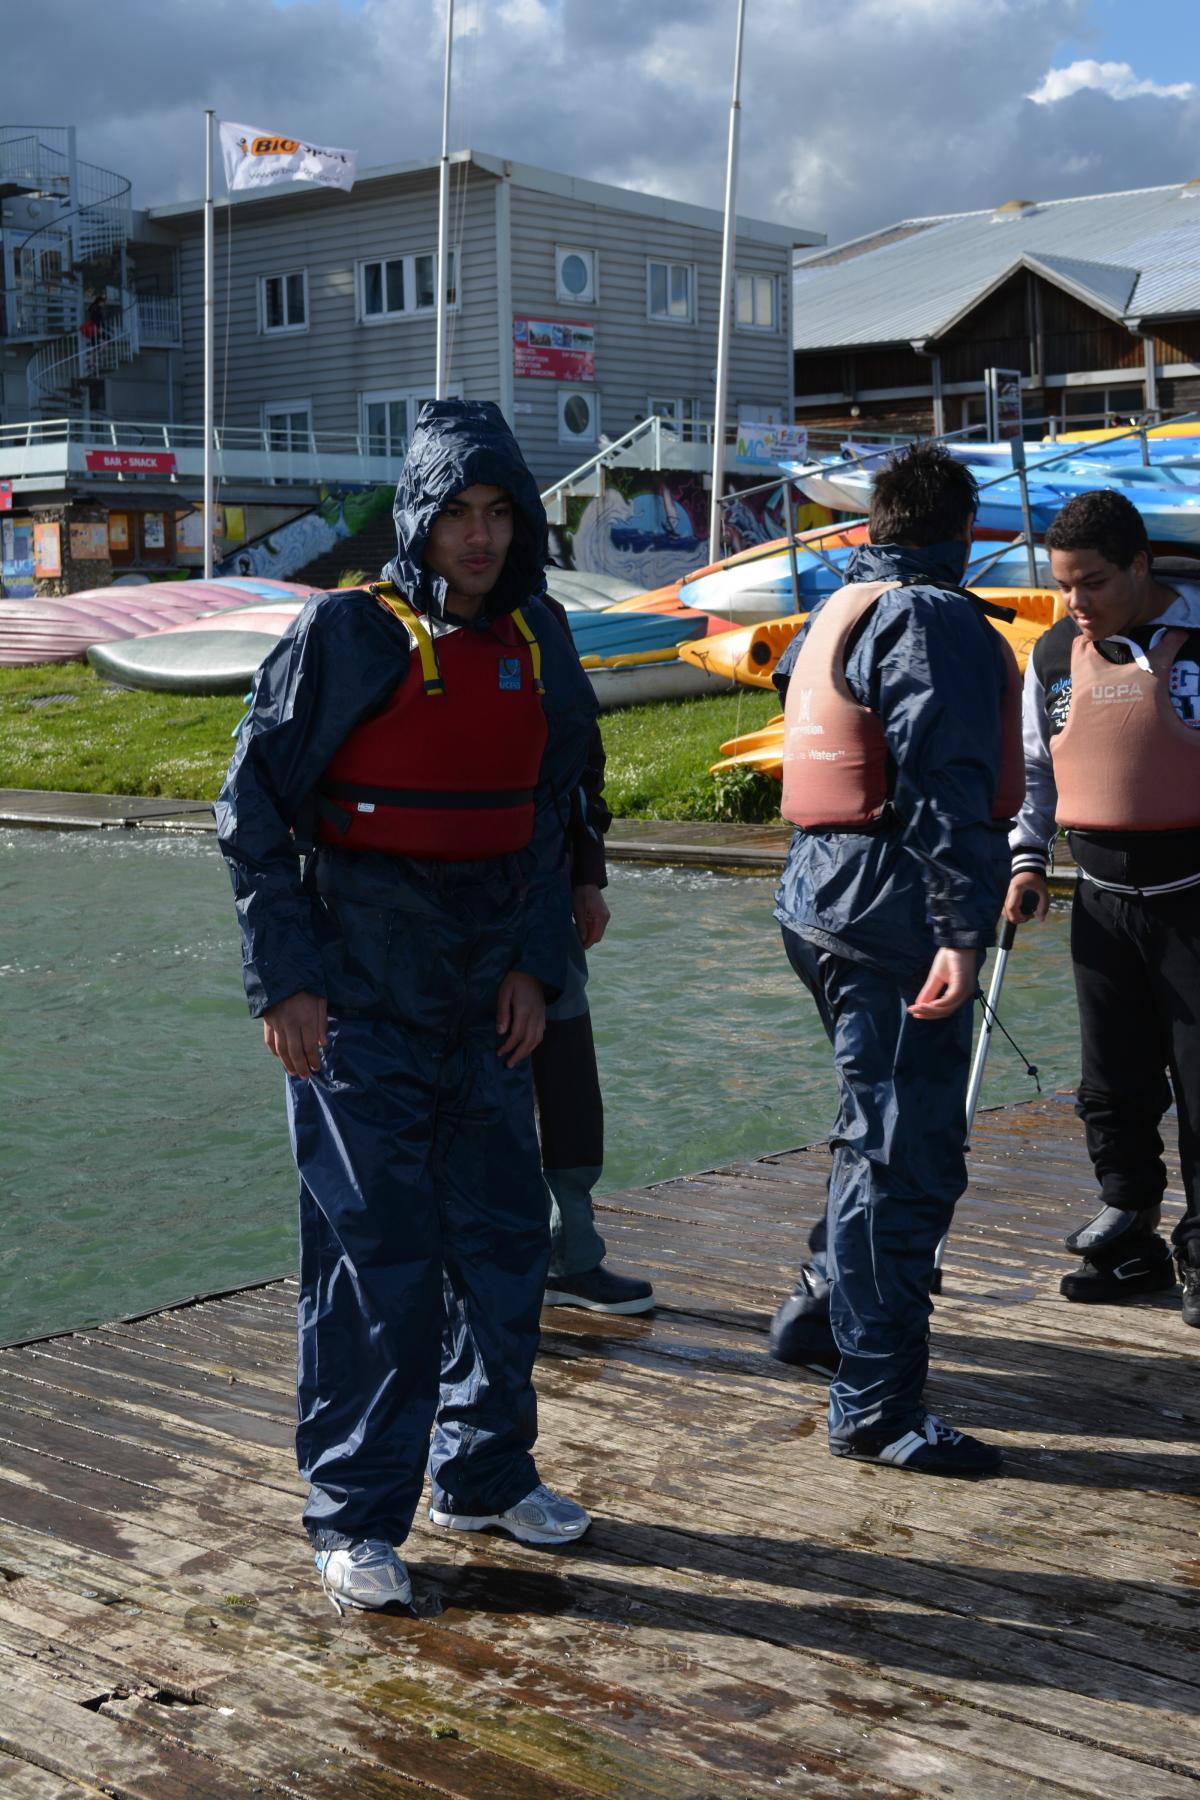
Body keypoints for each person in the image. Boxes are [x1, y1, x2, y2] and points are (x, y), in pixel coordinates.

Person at [216, 400, 600, 1614]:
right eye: (457, 516)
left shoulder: (539, 633)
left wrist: (537, 965)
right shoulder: (346, 633)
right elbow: (251, 811)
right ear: (419, 522)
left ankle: (483, 1473)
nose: (479, 538)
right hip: (361, 993)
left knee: (503, 1241)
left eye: (500, 514)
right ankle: (354, 1515)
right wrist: (286, 983)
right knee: (373, 1259)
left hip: (490, 993)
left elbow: (556, 806)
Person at [767, 442, 1023, 1477]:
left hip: (821, 900)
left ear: (876, 528)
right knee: (904, 1155)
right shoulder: (931, 618)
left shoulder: (843, 606)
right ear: (963, 533)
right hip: (890, 916)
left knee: (871, 1134)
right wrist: (961, 929)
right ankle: (877, 1409)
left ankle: (823, 1311)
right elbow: (941, 775)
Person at [1004, 488, 1200, 1323]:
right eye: (1062, 585)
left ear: (1140, 566)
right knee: (1110, 1084)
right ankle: (1131, 1227)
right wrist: (1025, 862)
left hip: (1193, 903)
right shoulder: (1053, 654)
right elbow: (1035, 772)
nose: (1075, 602)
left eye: (1092, 582)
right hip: (1103, 905)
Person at [528, 633, 654, 1316]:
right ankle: (487, 1271)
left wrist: (586, 876)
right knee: (476, 1092)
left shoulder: (540, 618)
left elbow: (582, 755)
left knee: (568, 1080)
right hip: (438, 913)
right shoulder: (391, 623)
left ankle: (572, 1254)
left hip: (546, 894)